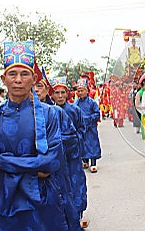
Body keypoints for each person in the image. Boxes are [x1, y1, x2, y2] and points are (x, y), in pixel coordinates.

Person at [0, 40, 72, 230]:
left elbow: (51, 163)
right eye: (13, 74)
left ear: (34, 78)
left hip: (41, 199)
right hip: (1, 200)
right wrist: (34, 169)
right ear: (3, 78)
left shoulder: (50, 114)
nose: (18, 80)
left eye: (24, 74)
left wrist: (4, 162)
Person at [51, 76, 89, 229]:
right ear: (52, 95)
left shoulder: (75, 110)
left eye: (62, 93)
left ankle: (78, 215)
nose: (60, 96)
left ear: (67, 94)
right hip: (56, 159)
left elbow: (82, 130)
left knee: (76, 185)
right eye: (56, 93)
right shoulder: (49, 112)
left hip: (72, 156)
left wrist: (72, 143)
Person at [75, 78, 101, 173]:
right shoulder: (76, 103)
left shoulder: (92, 102)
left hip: (90, 128)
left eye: (82, 90)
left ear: (86, 90)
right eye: (79, 91)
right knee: (82, 144)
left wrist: (88, 119)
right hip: (81, 128)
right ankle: (85, 161)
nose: (80, 93)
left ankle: (93, 163)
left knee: (92, 144)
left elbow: (97, 114)